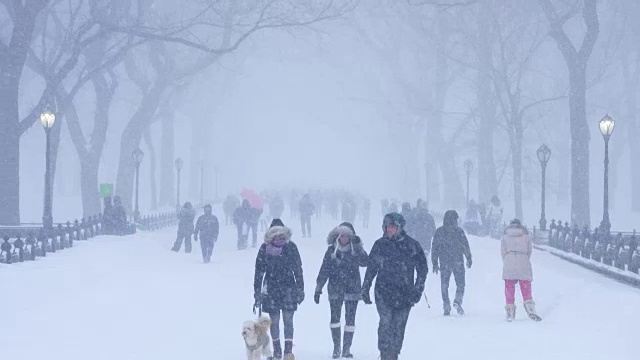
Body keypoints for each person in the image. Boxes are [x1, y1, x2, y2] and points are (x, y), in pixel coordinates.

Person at [361, 213, 428, 360]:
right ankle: (385, 353)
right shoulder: (380, 245)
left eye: (392, 226)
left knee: (399, 325)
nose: (389, 230)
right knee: (385, 323)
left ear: (399, 227)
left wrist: (418, 288)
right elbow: (371, 268)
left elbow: (422, 268)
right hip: (383, 293)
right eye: (386, 227)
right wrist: (365, 288)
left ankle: (394, 353)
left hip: (405, 294)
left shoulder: (412, 245)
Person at [315, 222, 368, 358]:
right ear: (337, 236)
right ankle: (336, 347)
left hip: (353, 289)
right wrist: (318, 288)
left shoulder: (355, 251)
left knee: (350, 320)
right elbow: (324, 270)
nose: (343, 238)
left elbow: (365, 262)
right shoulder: (331, 251)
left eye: (346, 236)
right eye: (341, 235)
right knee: (335, 319)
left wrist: (359, 246)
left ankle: (346, 348)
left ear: (351, 237)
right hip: (335, 289)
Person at [254, 219, 304, 360]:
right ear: (270, 236)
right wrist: (257, 291)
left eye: (281, 235)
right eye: (275, 235)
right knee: (274, 321)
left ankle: (288, 350)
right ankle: (277, 350)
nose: (278, 238)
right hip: (271, 288)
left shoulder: (291, 248)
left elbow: (298, 269)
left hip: (289, 287)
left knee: (288, 320)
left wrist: (300, 288)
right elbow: (259, 271)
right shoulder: (264, 249)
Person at [431, 210, 472, 316]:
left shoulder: (439, 232)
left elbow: (435, 248)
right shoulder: (458, 231)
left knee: (444, 284)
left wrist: (435, 262)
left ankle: (446, 304)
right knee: (460, 283)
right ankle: (458, 301)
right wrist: (468, 257)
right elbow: (465, 245)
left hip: (444, 261)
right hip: (457, 260)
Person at [502, 219, 541, 321]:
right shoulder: (526, 236)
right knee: (525, 285)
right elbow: (529, 251)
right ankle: (530, 308)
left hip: (509, 261)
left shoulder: (505, 237)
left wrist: (508, 260)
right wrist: (524, 258)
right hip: (523, 260)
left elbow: (503, 252)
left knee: (509, 286)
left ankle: (510, 311)